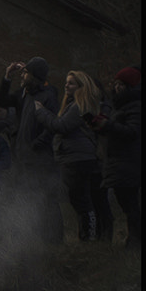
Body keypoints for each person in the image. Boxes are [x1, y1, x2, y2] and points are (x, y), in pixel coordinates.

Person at [0, 56, 63, 244]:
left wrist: (36, 145)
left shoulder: (48, 95)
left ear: (34, 75)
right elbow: (1, 100)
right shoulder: (25, 95)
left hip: (39, 159)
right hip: (22, 158)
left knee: (47, 201)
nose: (22, 75)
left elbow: (52, 126)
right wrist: (7, 77)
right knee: (25, 199)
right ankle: (31, 239)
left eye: (25, 73)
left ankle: (54, 242)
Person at [53, 71, 106, 242]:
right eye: (67, 82)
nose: (66, 86)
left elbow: (63, 126)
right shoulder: (73, 105)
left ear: (81, 87)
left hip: (80, 158)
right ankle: (88, 236)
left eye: (71, 83)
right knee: (78, 198)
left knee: (81, 199)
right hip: (75, 157)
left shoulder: (79, 106)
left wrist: (42, 114)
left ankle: (88, 237)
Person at [98, 67, 140, 250]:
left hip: (129, 163)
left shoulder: (136, 106)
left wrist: (108, 125)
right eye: (115, 84)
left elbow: (132, 132)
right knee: (127, 205)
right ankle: (133, 242)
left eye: (120, 85)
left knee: (131, 206)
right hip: (119, 163)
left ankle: (135, 243)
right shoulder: (120, 106)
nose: (116, 88)